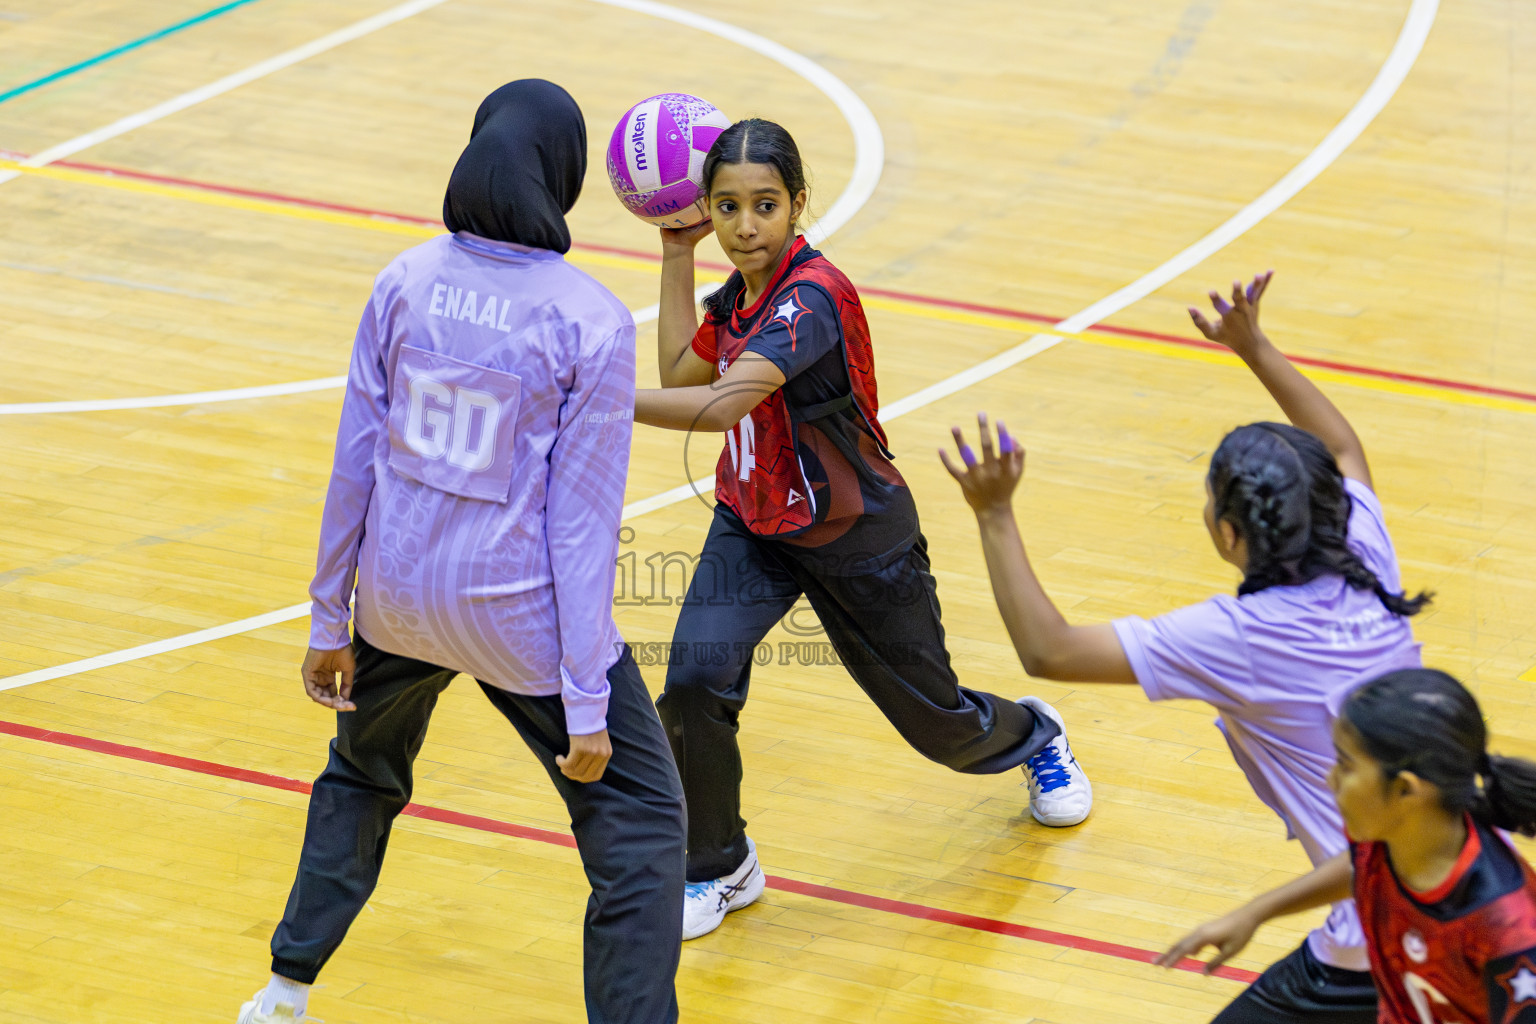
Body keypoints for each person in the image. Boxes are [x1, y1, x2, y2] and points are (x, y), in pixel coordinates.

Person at [236, 80, 686, 1024]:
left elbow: (354, 461)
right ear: (561, 176)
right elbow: (581, 523)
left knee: (360, 774)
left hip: (394, 603)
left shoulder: (402, 281)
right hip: (517, 619)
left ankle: (283, 991)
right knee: (641, 828)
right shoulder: (590, 319)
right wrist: (586, 701)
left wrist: (330, 621)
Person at [632, 116, 1092, 942]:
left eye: (764, 206)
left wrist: (590, 399)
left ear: (799, 204)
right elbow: (679, 371)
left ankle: (1034, 735)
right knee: (694, 683)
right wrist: (674, 254)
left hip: (856, 536)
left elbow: (719, 402)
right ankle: (719, 863)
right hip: (755, 526)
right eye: (726, 207)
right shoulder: (733, 294)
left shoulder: (811, 299)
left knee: (941, 729)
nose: (743, 226)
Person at [942, 270, 1431, 1023]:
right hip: (1448, 878)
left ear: (1230, 535)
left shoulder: (1238, 638)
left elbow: (1051, 653)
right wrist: (1253, 344)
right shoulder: (1363, 545)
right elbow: (1340, 445)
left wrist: (995, 514)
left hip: (1381, 939)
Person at [1159, 668, 1536, 1024]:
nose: (1331, 779)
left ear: (1406, 789)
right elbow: (1360, 864)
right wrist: (1256, 912)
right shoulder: (1391, 829)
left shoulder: (1507, 929)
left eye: (1346, 765)